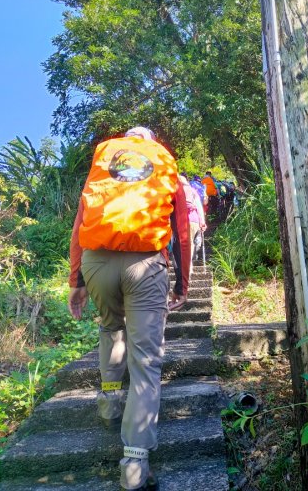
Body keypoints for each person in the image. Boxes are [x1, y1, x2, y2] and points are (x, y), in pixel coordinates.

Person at [68, 126, 190, 491]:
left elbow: (81, 223)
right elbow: (180, 227)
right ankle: (135, 464)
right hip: (145, 264)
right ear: (150, 143)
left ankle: (109, 402)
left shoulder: (105, 162)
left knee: (110, 328)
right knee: (146, 361)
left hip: (97, 262)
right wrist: (182, 282)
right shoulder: (164, 162)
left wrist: (76, 281)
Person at [179, 175, 206, 266]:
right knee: (191, 244)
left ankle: (185, 267)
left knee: (183, 245)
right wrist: (202, 222)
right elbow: (199, 207)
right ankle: (189, 264)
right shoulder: (193, 191)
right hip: (194, 220)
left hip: (181, 221)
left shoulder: (176, 191)